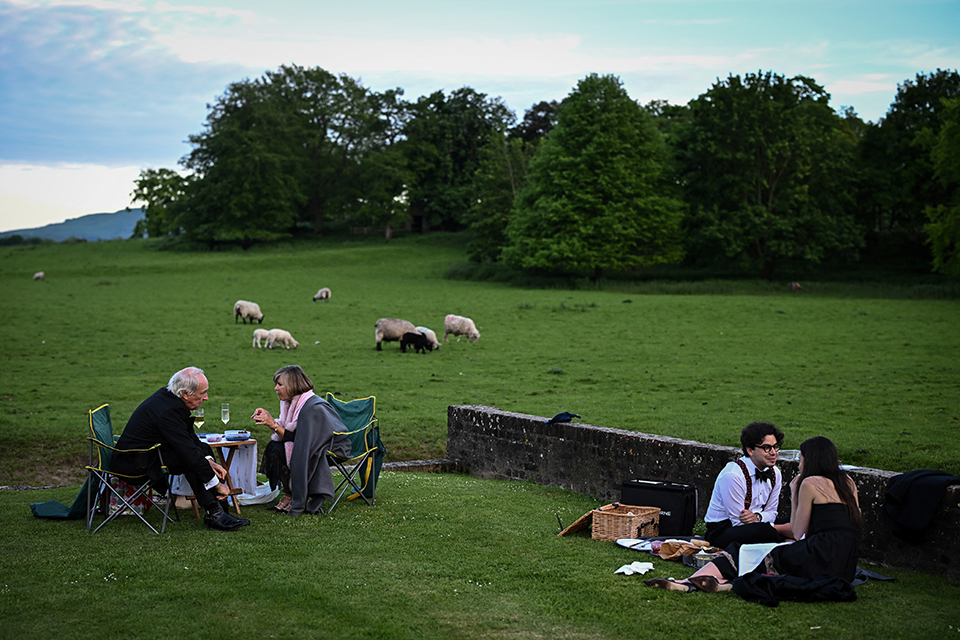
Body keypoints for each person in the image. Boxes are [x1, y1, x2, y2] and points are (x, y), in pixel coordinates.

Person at [645, 436, 861, 595]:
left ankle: (687, 582)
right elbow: (853, 519)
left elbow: (797, 531)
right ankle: (720, 585)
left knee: (745, 552)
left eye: (801, 459)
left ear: (811, 460)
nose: (799, 464)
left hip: (820, 553)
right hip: (845, 561)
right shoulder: (848, 481)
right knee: (763, 549)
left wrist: (795, 492)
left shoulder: (810, 483)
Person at [112, 367, 251, 532]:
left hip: (148, 454)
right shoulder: (169, 411)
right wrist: (216, 484)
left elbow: (191, 439)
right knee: (189, 459)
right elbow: (187, 451)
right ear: (185, 393)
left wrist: (211, 463)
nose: (206, 398)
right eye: (202, 393)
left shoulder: (170, 397)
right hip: (134, 463)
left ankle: (216, 511)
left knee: (202, 449)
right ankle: (216, 513)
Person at [251, 365, 351, 516]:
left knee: (278, 448)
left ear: (292, 386)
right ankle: (289, 494)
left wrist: (273, 424)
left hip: (330, 447)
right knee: (275, 446)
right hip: (308, 443)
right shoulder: (290, 403)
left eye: (280, 384)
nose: (276, 388)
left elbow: (301, 441)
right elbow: (293, 435)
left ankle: (293, 496)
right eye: (275, 384)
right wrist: (271, 420)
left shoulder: (312, 407)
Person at [703, 421, 786, 548]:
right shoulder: (733, 475)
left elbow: (772, 512)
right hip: (724, 529)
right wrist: (766, 524)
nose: (774, 452)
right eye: (767, 448)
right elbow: (739, 521)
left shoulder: (775, 473)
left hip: (757, 523)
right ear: (750, 450)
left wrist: (757, 517)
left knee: (795, 522)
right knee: (766, 531)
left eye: (775, 447)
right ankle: (784, 541)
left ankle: (781, 539)